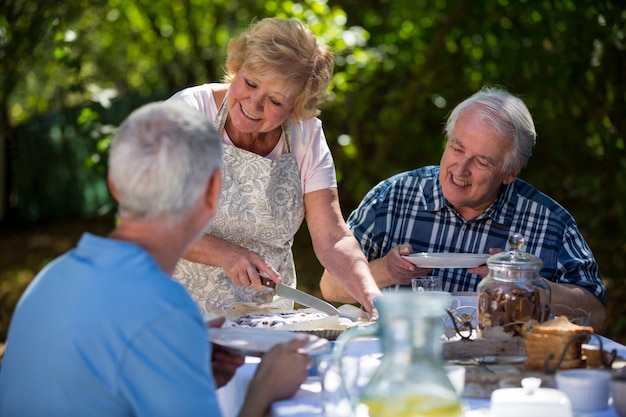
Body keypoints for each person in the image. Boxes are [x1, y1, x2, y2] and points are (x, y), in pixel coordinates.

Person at [0, 101, 311, 417]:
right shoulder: (163, 311)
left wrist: (183, 367)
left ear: (114, 185)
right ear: (211, 192)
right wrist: (265, 388)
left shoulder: (49, 279)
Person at [320, 86, 607, 332]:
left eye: (481, 161)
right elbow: (330, 287)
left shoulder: (549, 223)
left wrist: (528, 286)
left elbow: (597, 314)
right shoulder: (394, 197)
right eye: (457, 149)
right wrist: (389, 270)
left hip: (501, 371)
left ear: (510, 172)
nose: (461, 169)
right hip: (403, 361)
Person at [167, 17, 380, 318]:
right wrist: (226, 254)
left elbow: (332, 236)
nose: (253, 105)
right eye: (250, 83)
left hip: (264, 321)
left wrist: (372, 298)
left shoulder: (306, 135)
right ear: (238, 67)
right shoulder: (186, 113)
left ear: (296, 106)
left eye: (275, 101)